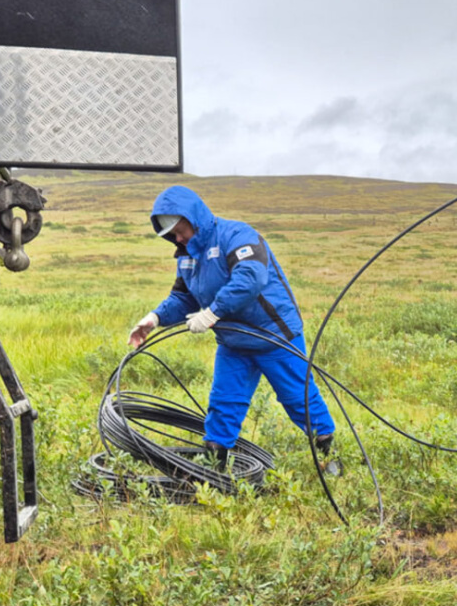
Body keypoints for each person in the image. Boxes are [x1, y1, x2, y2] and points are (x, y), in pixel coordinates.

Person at [128, 185, 336, 467]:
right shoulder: (187, 256)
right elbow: (183, 297)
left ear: (194, 217)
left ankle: (331, 460)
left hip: (274, 337)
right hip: (233, 344)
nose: (178, 239)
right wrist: (154, 319)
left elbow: (251, 278)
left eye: (179, 230)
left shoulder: (237, 236)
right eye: (171, 236)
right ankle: (215, 472)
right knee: (223, 404)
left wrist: (212, 313)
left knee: (299, 399)